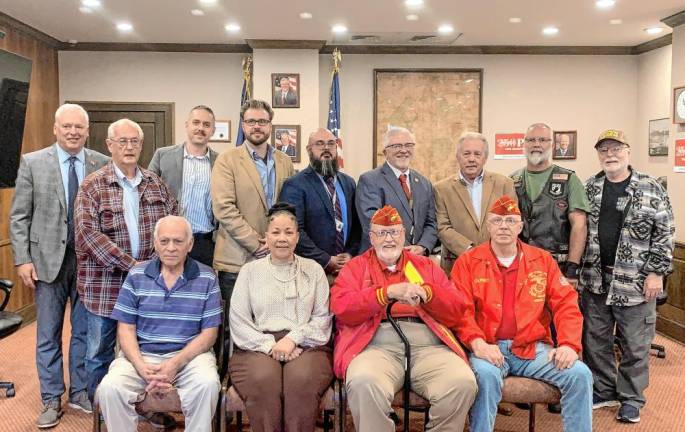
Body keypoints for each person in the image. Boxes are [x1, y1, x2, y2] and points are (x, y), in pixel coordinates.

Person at [452, 195, 593, 432]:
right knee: (485, 377)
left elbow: (566, 305)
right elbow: (459, 311)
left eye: (510, 220)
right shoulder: (467, 262)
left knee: (579, 374)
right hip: (488, 348)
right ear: (488, 226)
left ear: (520, 226)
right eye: (497, 221)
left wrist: (569, 345)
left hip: (532, 349)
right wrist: (477, 343)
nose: (504, 226)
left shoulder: (542, 260)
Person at [331, 205, 477, 432]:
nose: (388, 239)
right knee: (363, 382)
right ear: (371, 237)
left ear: (404, 234)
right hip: (374, 345)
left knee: (462, 382)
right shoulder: (355, 267)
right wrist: (385, 294)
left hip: (429, 345)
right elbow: (341, 308)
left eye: (394, 233)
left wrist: (429, 294)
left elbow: (457, 309)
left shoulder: (426, 265)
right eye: (381, 233)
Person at [9, 103, 109, 428]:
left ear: (87, 130)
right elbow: (20, 216)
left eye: (79, 127)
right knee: (48, 334)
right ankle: (51, 398)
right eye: (66, 126)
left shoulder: (101, 164)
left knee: (84, 332)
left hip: (89, 264)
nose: (73, 132)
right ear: (55, 128)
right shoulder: (33, 162)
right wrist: (22, 259)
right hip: (46, 263)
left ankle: (80, 391)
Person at [75, 118, 178, 403]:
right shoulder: (92, 186)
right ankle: (102, 412)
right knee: (98, 352)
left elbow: (173, 223)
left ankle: (148, 407)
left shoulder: (155, 184)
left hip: (149, 287)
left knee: (146, 350)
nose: (129, 147)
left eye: (135, 141)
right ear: (109, 145)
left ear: (142, 146)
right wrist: (134, 266)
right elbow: (88, 235)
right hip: (104, 287)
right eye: (123, 141)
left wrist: (154, 265)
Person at [580, 129, 675, 423]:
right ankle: (604, 390)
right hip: (596, 279)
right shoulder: (590, 187)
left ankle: (632, 398)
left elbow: (666, 232)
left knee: (635, 343)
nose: (610, 154)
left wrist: (657, 273)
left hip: (635, 281)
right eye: (604, 149)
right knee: (596, 341)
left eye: (616, 148)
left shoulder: (650, 187)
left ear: (628, 150)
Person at [97, 216, 222, 432]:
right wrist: (141, 366)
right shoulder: (136, 275)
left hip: (190, 357)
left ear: (190, 244)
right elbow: (125, 329)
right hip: (142, 356)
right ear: (155, 244)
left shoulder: (207, 277)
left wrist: (175, 364)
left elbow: (209, 334)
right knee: (109, 388)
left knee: (208, 384)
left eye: (178, 241)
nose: (171, 248)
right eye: (164, 241)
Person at [229, 203, 333, 432]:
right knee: (264, 379)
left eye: (288, 232)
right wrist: (271, 345)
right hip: (256, 347)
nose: (282, 238)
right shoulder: (250, 271)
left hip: (307, 346)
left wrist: (293, 338)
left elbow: (322, 318)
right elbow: (239, 321)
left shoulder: (314, 270)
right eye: (276, 232)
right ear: (266, 237)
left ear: (297, 238)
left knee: (301, 380)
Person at [211, 99, 294, 360]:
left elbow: (286, 208)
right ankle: (226, 383)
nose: (257, 126)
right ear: (243, 124)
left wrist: (275, 244)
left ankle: (262, 379)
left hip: (275, 259)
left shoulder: (284, 161)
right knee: (231, 328)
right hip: (237, 259)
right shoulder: (227, 160)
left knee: (267, 323)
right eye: (251, 121)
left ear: (271, 125)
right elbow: (224, 208)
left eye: (262, 121)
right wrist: (257, 244)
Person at [510, 123, 589, 284]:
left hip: (557, 267)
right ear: (524, 144)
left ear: (552, 145)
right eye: (531, 140)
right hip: (520, 265)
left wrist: (572, 268)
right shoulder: (512, 180)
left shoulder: (569, 180)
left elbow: (579, 226)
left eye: (543, 140)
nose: (537, 144)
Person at [280, 128, 361, 277]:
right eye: (319, 144)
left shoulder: (349, 183)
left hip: (346, 272)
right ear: (309, 149)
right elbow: (294, 230)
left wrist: (350, 254)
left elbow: (357, 226)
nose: (326, 148)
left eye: (331, 144)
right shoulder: (295, 185)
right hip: (309, 272)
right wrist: (326, 259)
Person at [434, 131, 516, 274]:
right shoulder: (441, 189)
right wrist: (471, 250)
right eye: (466, 154)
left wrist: (491, 251)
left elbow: (511, 221)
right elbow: (442, 227)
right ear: (458, 156)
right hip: (458, 264)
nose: (472, 159)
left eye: (477, 154)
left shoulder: (504, 184)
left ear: (485, 158)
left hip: (498, 263)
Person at [148, 105, 219, 266]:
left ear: (213, 130)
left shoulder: (221, 162)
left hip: (205, 241)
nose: (200, 128)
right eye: (196, 122)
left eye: (206, 125)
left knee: (200, 288)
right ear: (187, 125)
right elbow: (147, 193)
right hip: (169, 239)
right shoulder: (162, 155)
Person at [356, 126, 437, 255]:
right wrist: (403, 248)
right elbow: (373, 221)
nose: (404, 150)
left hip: (417, 259)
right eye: (397, 146)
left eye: (408, 145)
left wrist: (422, 246)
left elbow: (431, 222)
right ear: (385, 152)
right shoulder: (370, 180)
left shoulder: (424, 183)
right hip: (381, 259)